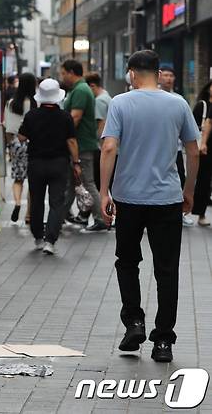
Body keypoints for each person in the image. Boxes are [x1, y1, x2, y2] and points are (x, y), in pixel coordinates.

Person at [100, 50, 199, 363]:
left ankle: (134, 322)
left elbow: (109, 147)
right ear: (158, 72)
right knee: (166, 270)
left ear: (131, 72)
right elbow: (194, 152)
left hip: (128, 198)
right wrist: (189, 190)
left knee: (127, 262)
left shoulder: (120, 103)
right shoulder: (178, 103)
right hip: (167, 199)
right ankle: (163, 341)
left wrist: (104, 191)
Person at [18, 78, 81, 255]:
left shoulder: (31, 115)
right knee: (57, 203)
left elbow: (22, 137)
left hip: (36, 164)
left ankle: (38, 237)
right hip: (59, 164)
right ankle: (50, 241)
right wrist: (76, 163)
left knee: (37, 201)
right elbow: (72, 142)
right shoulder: (65, 117)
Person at [60, 60, 106, 231]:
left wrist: (62, 136)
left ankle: (101, 218)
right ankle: (60, 216)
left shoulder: (80, 90)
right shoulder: (79, 89)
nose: (62, 77)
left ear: (72, 72)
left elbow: (75, 117)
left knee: (87, 182)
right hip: (79, 144)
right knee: (72, 183)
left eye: (63, 73)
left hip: (82, 145)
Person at [159, 66, 193, 228]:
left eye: (171, 75)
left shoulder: (179, 99)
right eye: (165, 75)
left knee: (180, 177)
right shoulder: (154, 97)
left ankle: (182, 212)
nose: (168, 78)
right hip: (159, 149)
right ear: (159, 76)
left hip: (176, 149)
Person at [4, 73, 37, 224]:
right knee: (32, 181)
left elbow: (8, 127)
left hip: (16, 143)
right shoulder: (35, 103)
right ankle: (29, 214)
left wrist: (10, 146)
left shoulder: (11, 103)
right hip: (33, 143)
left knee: (18, 179)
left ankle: (17, 203)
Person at [85, 72, 113, 192]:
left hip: (102, 145)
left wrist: (100, 146)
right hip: (112, 143)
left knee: (98, 183)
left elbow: (101, 124)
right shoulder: (107, 96)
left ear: (92, 86)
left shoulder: (99, 101)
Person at [191, 82, 212, 226]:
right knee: (204, 180)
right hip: (206, 148)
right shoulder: (202, 105)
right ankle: (201, 213)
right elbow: (197, 125)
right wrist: (202, 143)